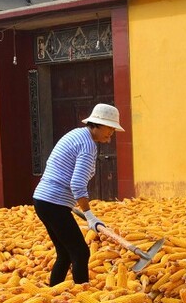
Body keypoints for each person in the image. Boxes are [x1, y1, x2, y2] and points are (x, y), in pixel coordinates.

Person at [32, 103, 123, 286]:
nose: (111, 135)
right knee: (81, 252)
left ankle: (54, 293)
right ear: (97, 124)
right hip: (53, 203)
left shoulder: (76, 134)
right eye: (110, 129)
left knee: (65, 253)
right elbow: (77, 183)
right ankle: (82, 295)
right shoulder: (88, 145)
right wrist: (90, 216)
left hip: (43, 200)